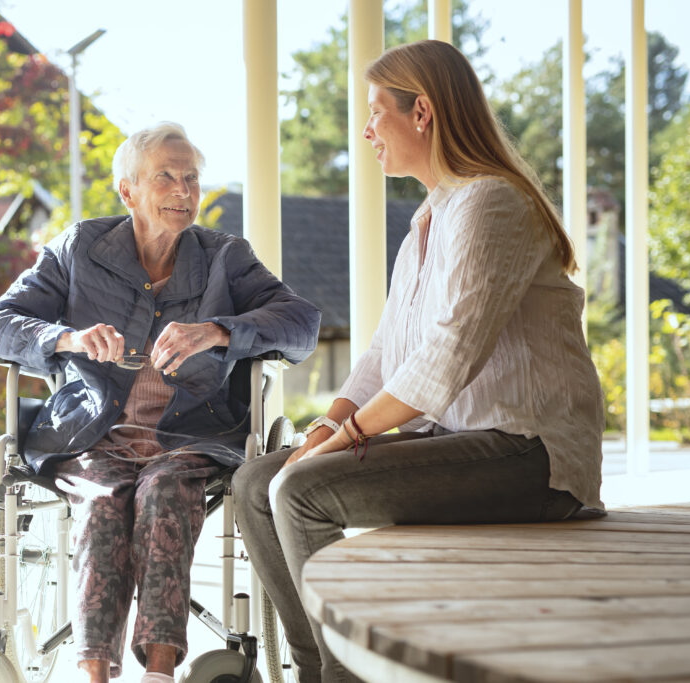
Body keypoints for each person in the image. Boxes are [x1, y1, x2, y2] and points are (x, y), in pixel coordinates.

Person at [233, 40, 605, 683]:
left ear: (423, 112)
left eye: (377, 112)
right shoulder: (430, 218)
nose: (367, 130)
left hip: (531, 454)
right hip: (462, 441)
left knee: (299, 490)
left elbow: (449, 354)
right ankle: (318, 670)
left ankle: (344, 678)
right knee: (255, 484)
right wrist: (328, 424)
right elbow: (386, 350)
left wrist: (343, 441)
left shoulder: (492, 203)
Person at [0, 122, 321, 683]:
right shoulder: (78, 248)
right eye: (166, 176)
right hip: (92, 434)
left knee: (164, 494)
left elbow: (303, 324)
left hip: (188, 436)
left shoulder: (224, 257)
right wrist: (68, 338)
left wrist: (216, 330)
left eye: (192, 179)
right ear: (128, 190)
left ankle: (159, 673)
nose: (183, 191)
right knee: (103, 501)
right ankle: (95, 673)